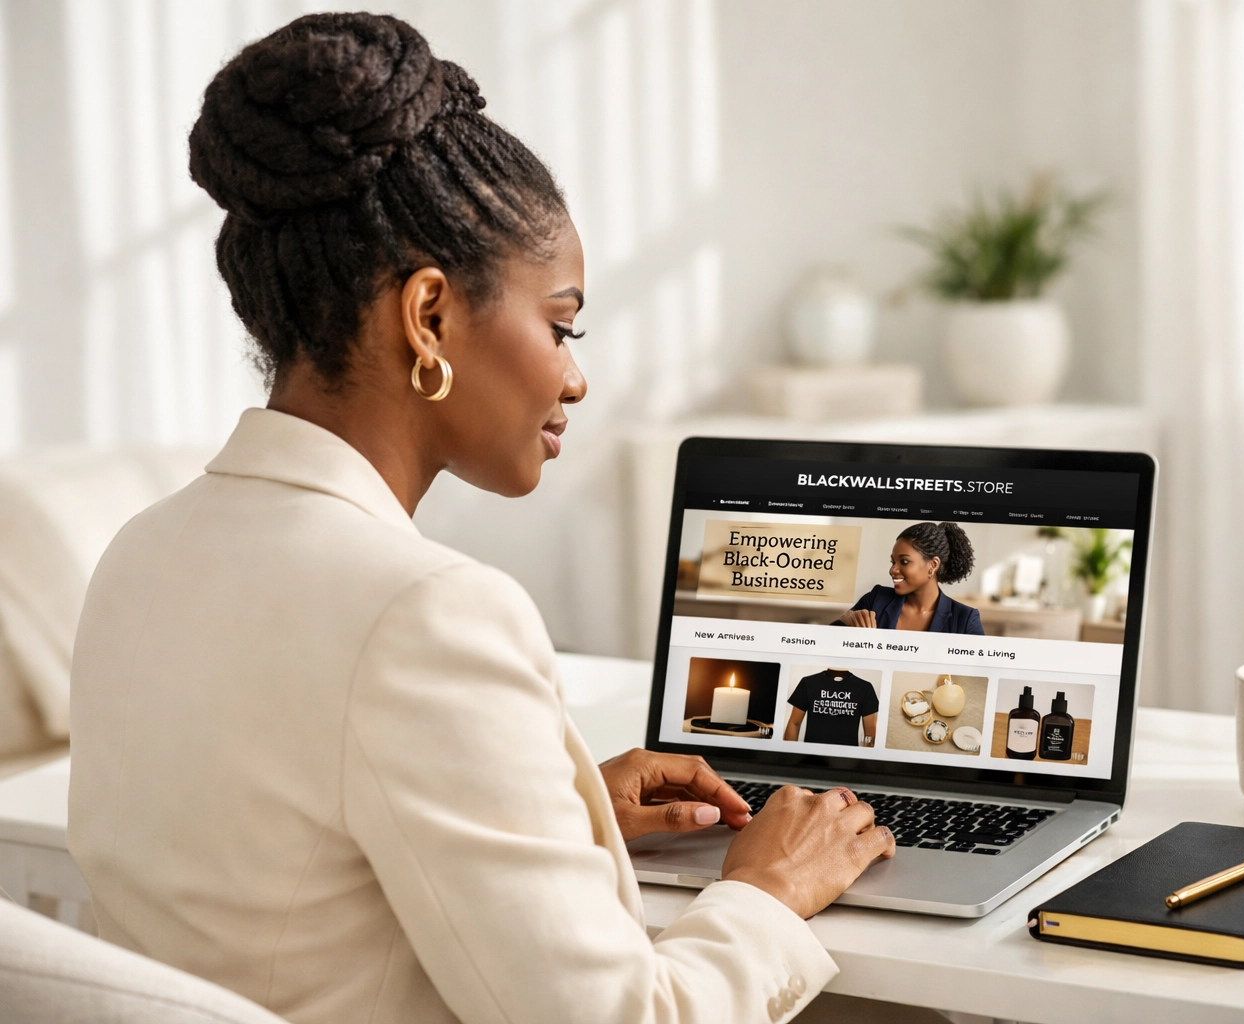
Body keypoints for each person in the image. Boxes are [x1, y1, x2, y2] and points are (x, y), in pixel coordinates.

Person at [66, 14, 891, 1024]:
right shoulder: (424, 615)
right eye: (560, 323)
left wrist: (555, 801)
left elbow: (293, 856)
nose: (577, 377)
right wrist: (768, 890)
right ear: (428, 315)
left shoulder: (138, 556)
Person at [835, 522, 985, 635]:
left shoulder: (965, 620)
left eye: (904, 562)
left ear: (933, 565)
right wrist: (845, 620)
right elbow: (828, 643)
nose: (892, 570)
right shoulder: (876, 600)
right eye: (893, 562)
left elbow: (978, 673)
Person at [783, 669, 880, 747]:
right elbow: (794, 723)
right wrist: (788, 757)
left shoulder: (865, 688)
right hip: (811, 758)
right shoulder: (808, 683)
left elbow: (870, 734)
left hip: (847, 760)